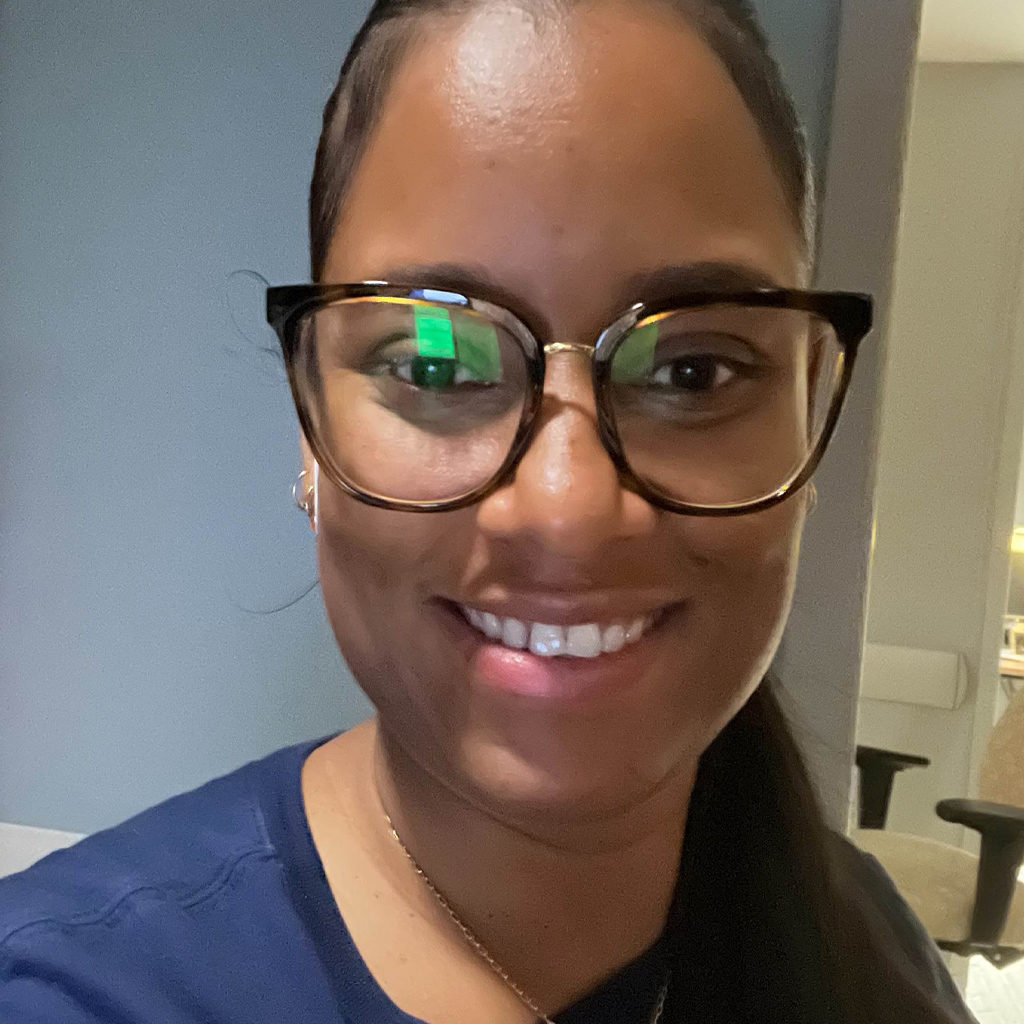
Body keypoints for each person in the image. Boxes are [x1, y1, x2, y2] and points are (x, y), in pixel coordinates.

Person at [0, 2, 976, 1022]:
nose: (568, 508)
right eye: (434, 366)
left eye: (692, 371)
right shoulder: (67, 994)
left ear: (807, 411)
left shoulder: (866, 944)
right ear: (310, 430)